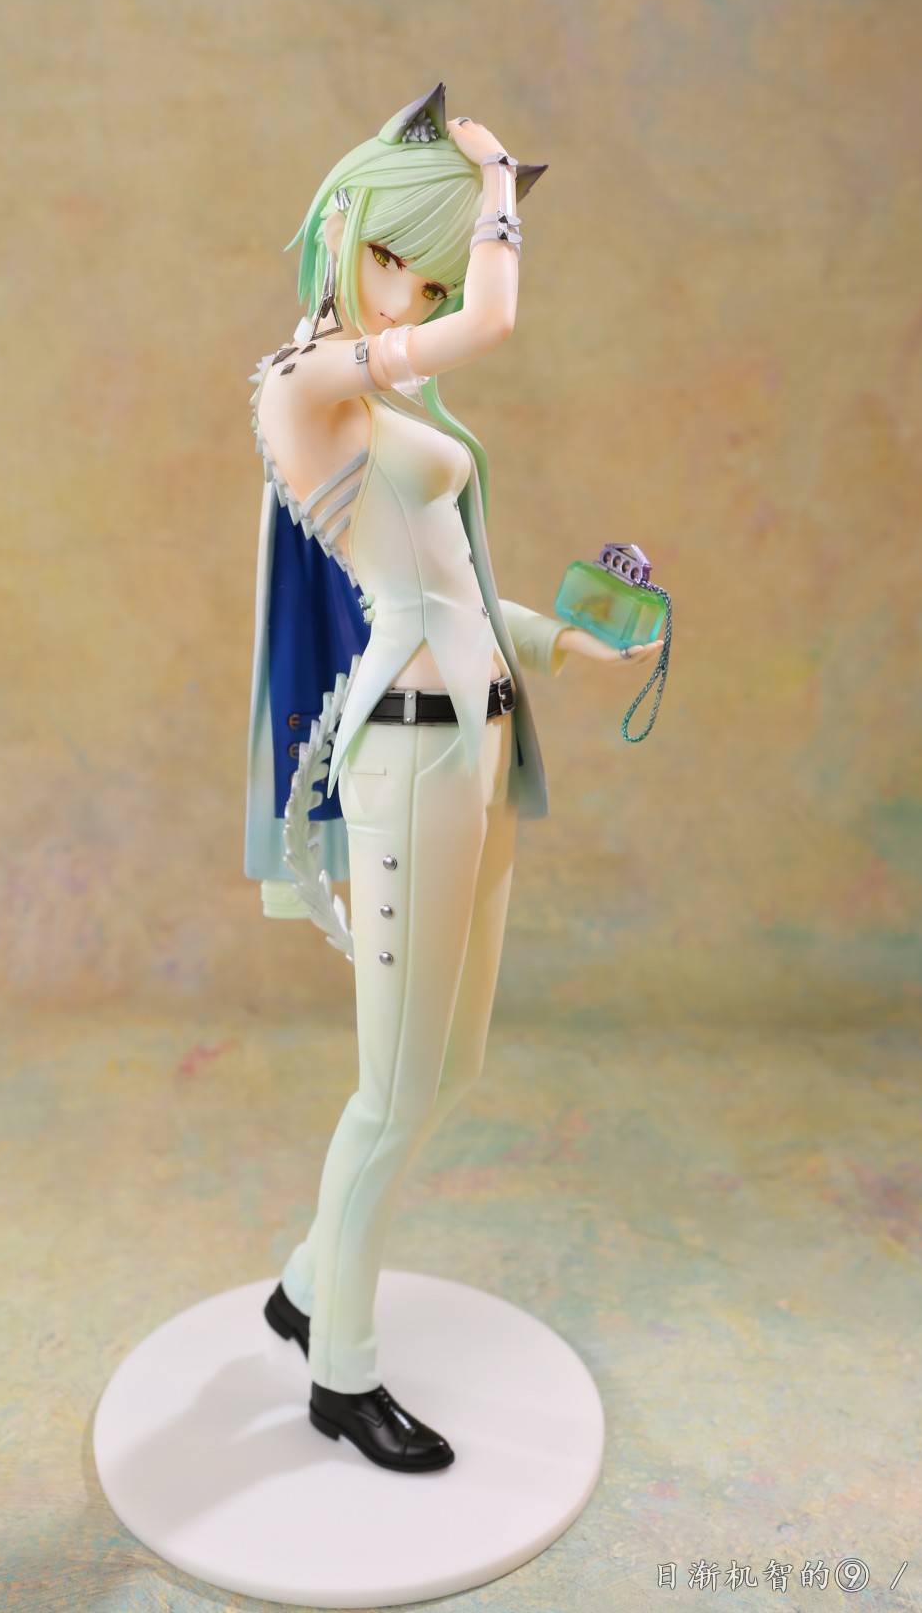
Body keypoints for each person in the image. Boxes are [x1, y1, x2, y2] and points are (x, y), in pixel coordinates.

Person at [244, 85, 662, 1472]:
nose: (412, 291)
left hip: (481, 737)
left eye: (427, 273)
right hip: (411, 754)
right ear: (344, 227)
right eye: (395, 256)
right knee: (393, 1087)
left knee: (452, 1063)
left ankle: (306, 1283)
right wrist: (490, 182)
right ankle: (340, 1371)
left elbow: (462, 592)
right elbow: (492, 323)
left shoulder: (392, 388)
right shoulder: (305, 382)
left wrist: (568, 639)